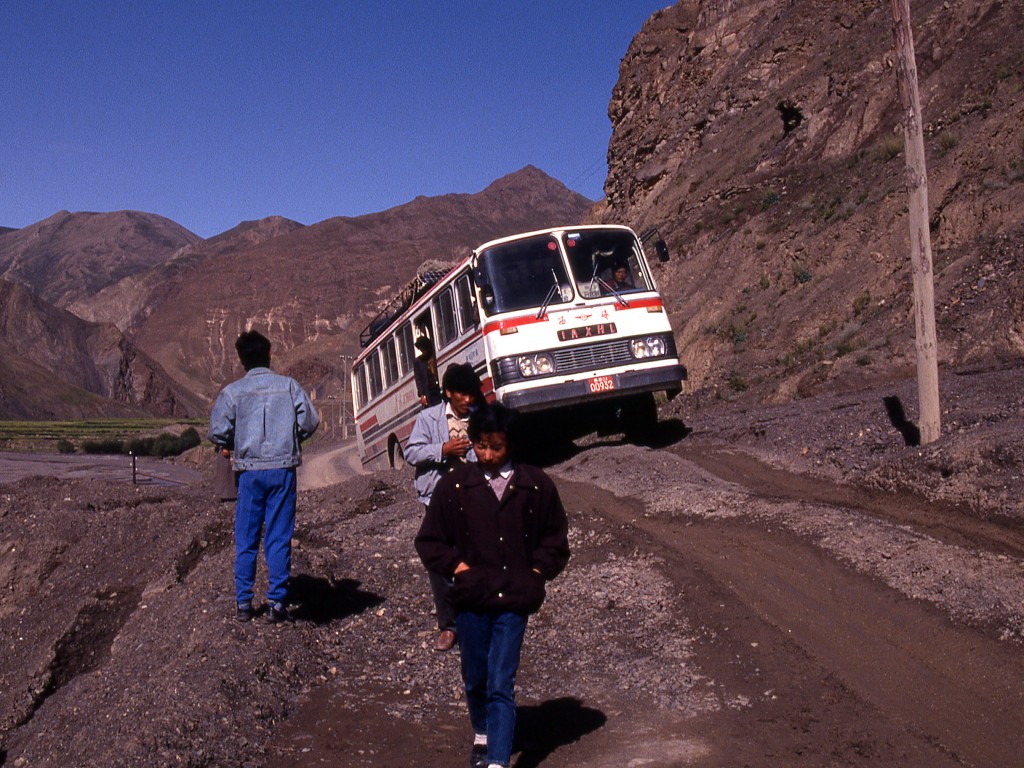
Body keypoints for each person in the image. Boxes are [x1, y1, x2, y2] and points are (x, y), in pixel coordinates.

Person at [415, 402, 570, 768]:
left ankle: (498, 760)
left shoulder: (536, 485)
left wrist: (536, 572)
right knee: (475, 676)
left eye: (495, 447)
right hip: (470, 599)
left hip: (515, 597)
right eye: (480, 445)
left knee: (502, 679)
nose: (486, 454)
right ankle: (482, 731)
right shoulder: (454, 486)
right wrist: (459, 567)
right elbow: (430, 541)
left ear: (511, 445)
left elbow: (555, 539)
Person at [208, 330, 320, 624]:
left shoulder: (232, 393)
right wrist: (291, 437)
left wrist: (236, 441)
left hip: (249, 473)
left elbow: (217, 432)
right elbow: (310, 422)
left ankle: (244, 602)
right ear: (269, 355)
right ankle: (276, 602)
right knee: (279, 535)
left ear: (241, 359)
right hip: (282, 469)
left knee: (246, 536)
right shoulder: (289, 387)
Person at [405, 362, 483, 651]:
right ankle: (448, 626)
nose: (467, 400)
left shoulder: (481, 418)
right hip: (437, 500)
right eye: (461, 394)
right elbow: (411, 452)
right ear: (449, 393)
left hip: (474, 499)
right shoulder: (428, 419)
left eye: (471, 393)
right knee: (439, 563)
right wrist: (442, 450)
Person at [413, 335, 442, 407]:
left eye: (423, 348)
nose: (422, 350)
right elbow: (418, 380)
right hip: (429, 391)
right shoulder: (418, 362)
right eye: (420, 349)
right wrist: (422, 395)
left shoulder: (434, 355)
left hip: (439, 388)